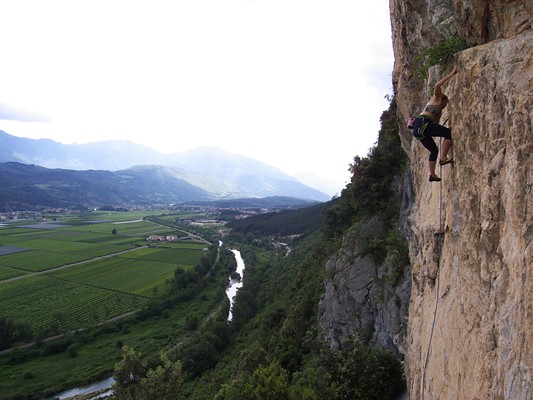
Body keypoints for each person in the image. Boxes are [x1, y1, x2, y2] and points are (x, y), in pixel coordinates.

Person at [412, 66, 458, 182]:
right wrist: (452, 73)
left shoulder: (438, 112)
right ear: (443, 100)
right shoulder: (436, 98)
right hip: (422, 123)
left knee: (434, 150)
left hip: (419, 130)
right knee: (447, 133)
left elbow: (435, 127)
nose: (444, 106)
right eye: (445, 104)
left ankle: (432, 175)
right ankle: (442, 159)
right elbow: (437, 85)